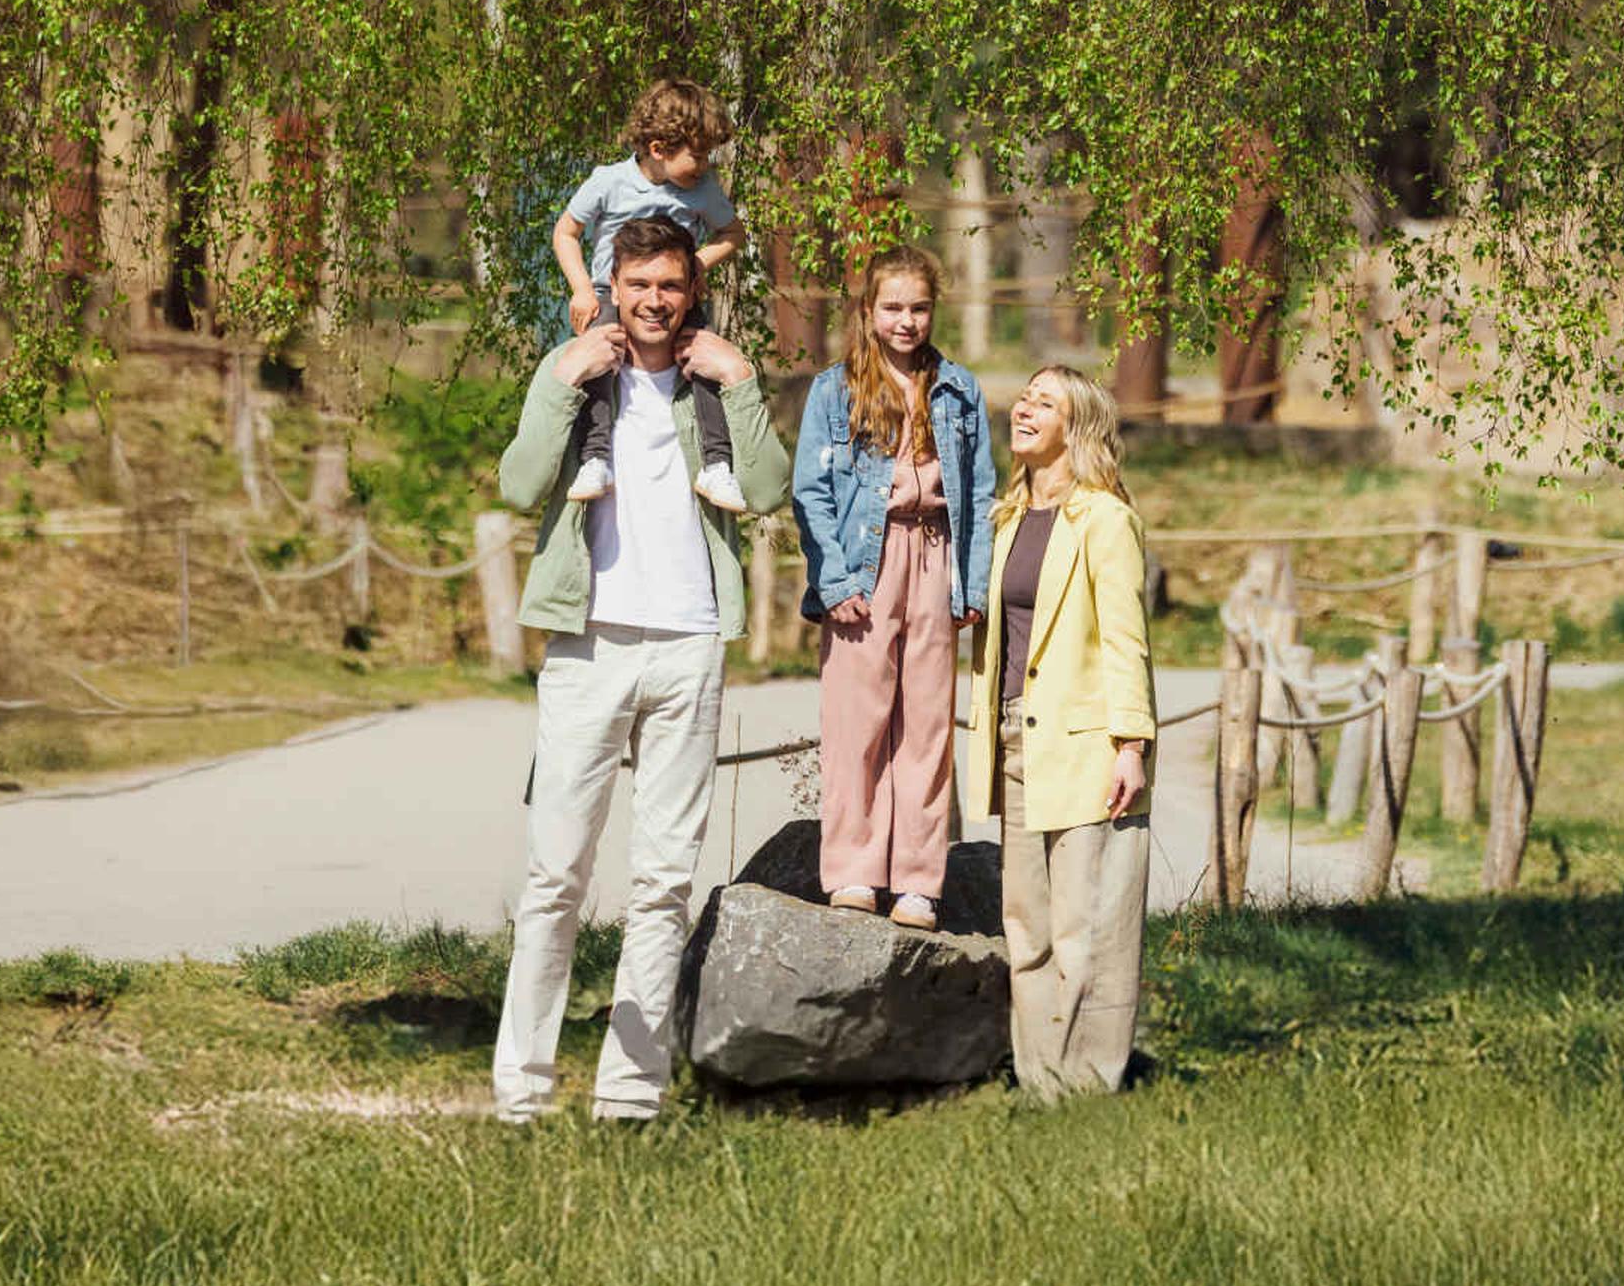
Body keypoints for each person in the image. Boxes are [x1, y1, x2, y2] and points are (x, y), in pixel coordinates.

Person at [488, 216, 789, 1125]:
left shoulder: (714, 384)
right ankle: (522, 1093)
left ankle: (630, 1094)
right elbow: (516, 483)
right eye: (638, 285)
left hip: (690, 643)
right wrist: (553, 382)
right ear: (611, 288)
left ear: (691, 291)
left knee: (662, 883)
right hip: (591, 643)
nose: (654, 301)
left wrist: (740, 385)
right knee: (555, 877)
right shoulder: (579, 376)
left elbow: (768, 490)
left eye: (670, 285)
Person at [787, 243, 996, 927]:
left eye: (919, 307)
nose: (907, 322)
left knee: (927, 728)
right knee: (859, 724)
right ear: (869, 311)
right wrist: (835, 576)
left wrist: (972, 583)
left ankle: (916, 879)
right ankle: (852, 869)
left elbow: (983, 489)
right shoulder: (836, 388)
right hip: (865, 565)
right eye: (893, 308)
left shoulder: (959, 389)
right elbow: (811, 492)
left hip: (934, 556)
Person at [973, 363, 1156, 1098]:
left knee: (1089, 931)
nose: (1023, 409)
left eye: (1043, 404)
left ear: (1074, 429)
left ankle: (1087, 1083)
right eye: (1025, 398)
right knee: (1029, 926)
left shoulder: (1104, 519)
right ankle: (1038, 1076)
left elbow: (1126, 639)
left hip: (1087, 747)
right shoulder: (1009, 517)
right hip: (1018, 741)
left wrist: (1132, 745)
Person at [552, 78, 747, 512]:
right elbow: (566, 231)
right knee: (600, 361)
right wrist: (583, 288)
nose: (704, 164)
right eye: (697, 155)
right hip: (611, 291)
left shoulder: (702, 189)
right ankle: (595, 456)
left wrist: (695, 265)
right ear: (658, 148)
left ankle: (716, 462)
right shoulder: (609, 181)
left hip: (677, 297)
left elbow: (733, 233)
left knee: (704, 363)